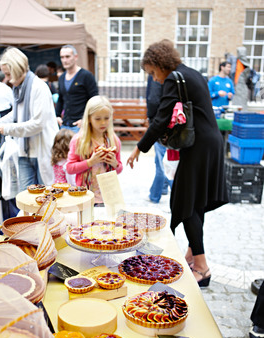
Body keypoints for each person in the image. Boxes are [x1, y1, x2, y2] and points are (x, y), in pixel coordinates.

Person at [127, 39, 228, 287]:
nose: (155, 79)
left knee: (186, 203)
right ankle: (192, 256)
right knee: (197, 202)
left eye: (152, 72)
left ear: (160, 64)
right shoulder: (192, 72)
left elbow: (162, 117)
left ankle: (202, 268)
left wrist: (140, 147)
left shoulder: (173, 78)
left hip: (199, 146)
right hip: (211, 142)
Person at [0, 47, 59, 192]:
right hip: (24, 150)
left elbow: (37, 124)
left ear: (17, 69)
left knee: (47, 199)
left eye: (8, 74)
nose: (8, 79)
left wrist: (8, 128)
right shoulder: (19, 89)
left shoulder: (39, 88)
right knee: (25, 198)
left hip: (41, 151)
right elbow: (16, 113)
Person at [66, 95, 123, 205]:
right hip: (84, 196)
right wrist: (90, 162)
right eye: (98, 119)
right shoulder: (79, 140)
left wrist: (114, 163)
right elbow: (69, 168)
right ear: (89, 119)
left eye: (106, 118)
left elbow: (119, 169)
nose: (103, 123)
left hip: (108, 197)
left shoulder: (113, 140)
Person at [56, 45, 98, 133]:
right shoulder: (61, 78)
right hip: (65, 125)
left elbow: (94, 100)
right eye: (62, 57)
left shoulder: (86, 76)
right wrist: (57, 116)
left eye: (67, 56)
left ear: (75, 57)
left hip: (80, 125)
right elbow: (60, 99)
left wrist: (85, 119)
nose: (65, 60)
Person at [146, 74, 172, 203]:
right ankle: (161, 189)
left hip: (161, 124)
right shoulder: (177, 73)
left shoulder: (157, 73)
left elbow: (153, 100)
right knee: (168, 160)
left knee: (162, 163)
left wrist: (151, 119)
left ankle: (155, 195)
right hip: (176, 124)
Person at [232, 47, 251, 112]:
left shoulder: (243, 62)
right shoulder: (236, 61)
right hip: (237, 85)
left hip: (241, 86)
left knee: (241, 105)